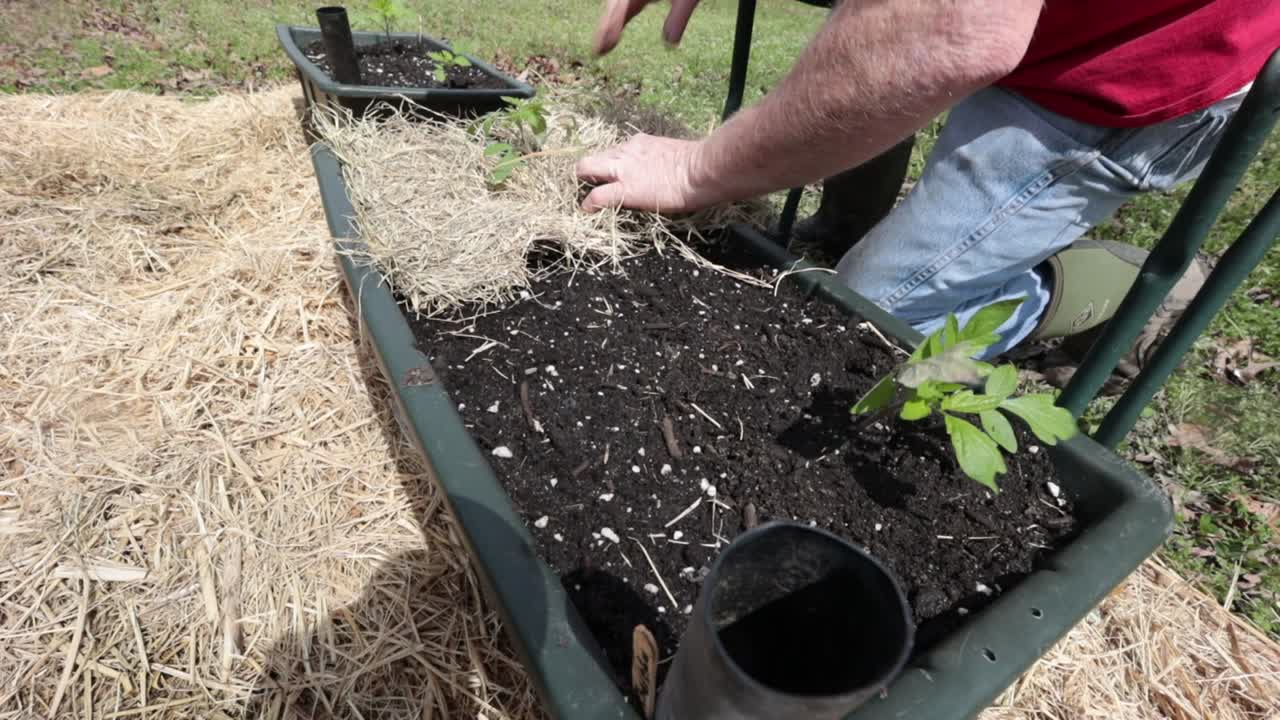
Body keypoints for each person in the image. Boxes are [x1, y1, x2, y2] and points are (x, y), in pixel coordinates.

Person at [575, 0, 1279, 372]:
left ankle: (1090, 288)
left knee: (868, 325)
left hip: (1121, 67)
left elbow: (953, 33)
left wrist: (700, 170)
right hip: (1042, 24)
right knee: (871, 74)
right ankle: (851, 229)